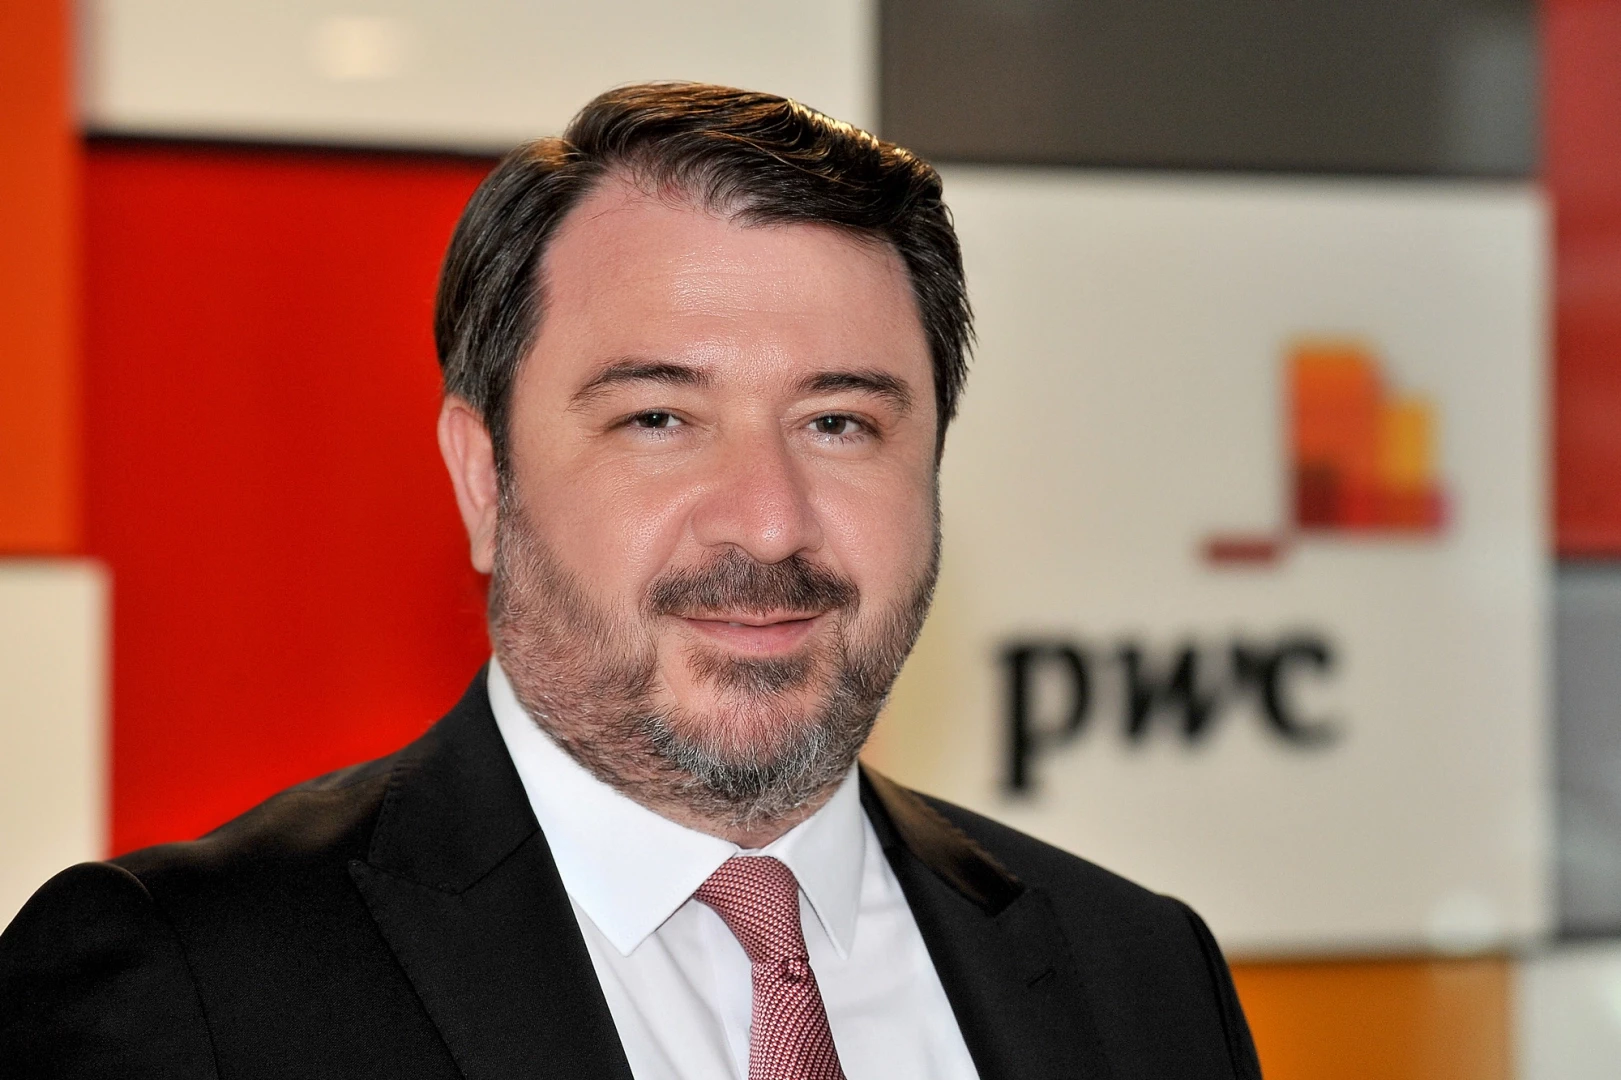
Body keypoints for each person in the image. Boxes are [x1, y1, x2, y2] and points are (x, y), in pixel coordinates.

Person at [0, 83, 1261, 1080]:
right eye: (658, 418)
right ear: (485, 478)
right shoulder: (189, 987)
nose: (768, 521)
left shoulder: (1139, 976)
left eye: (839, 423)